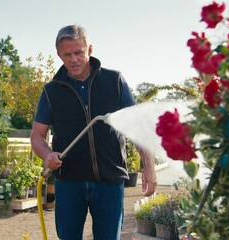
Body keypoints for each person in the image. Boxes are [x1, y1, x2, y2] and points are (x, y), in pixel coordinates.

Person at [30, 25, 157, 240]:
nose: (74, 59)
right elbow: (37, 135)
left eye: (79, 52)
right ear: (59, 55)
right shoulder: (51, 91)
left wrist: (149, 166)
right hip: (69, 182)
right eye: (67, 54)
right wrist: (47, 154)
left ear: (90, 48)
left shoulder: (114, 81)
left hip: (110, 182)